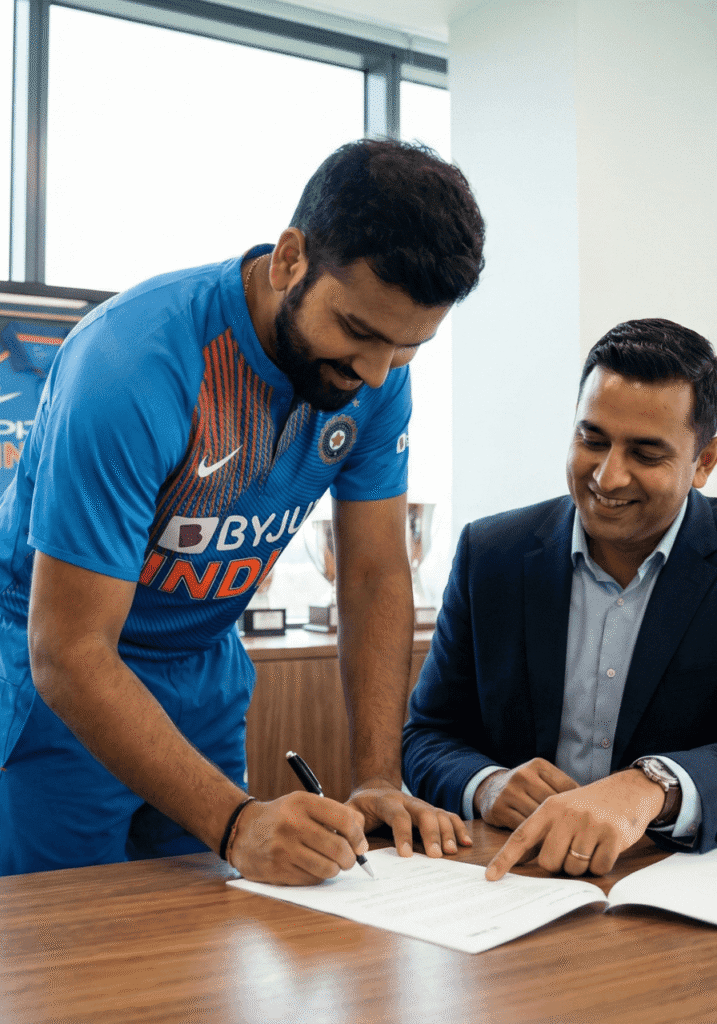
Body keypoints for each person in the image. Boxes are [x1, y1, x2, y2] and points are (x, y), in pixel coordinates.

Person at [0, 139, 485, 880]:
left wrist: (377, 778)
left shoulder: (377, 376)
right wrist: (234, 822)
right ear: (291, 258)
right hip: (63, 677)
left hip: (202, 668)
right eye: (357, 331)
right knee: (64, 956)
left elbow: (373, 574)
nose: (374, 373)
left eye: (408, 347)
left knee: (207, 942)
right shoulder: (133, 363)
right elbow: (68, 648)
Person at [403, 318, 717, 880]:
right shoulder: (491, 553)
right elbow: (428, 735)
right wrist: (486, 784)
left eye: (645, 454)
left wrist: (655, 786)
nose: (608, 475)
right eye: (592, 439)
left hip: (676, 895)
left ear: (704, 462)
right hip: (516, 885)